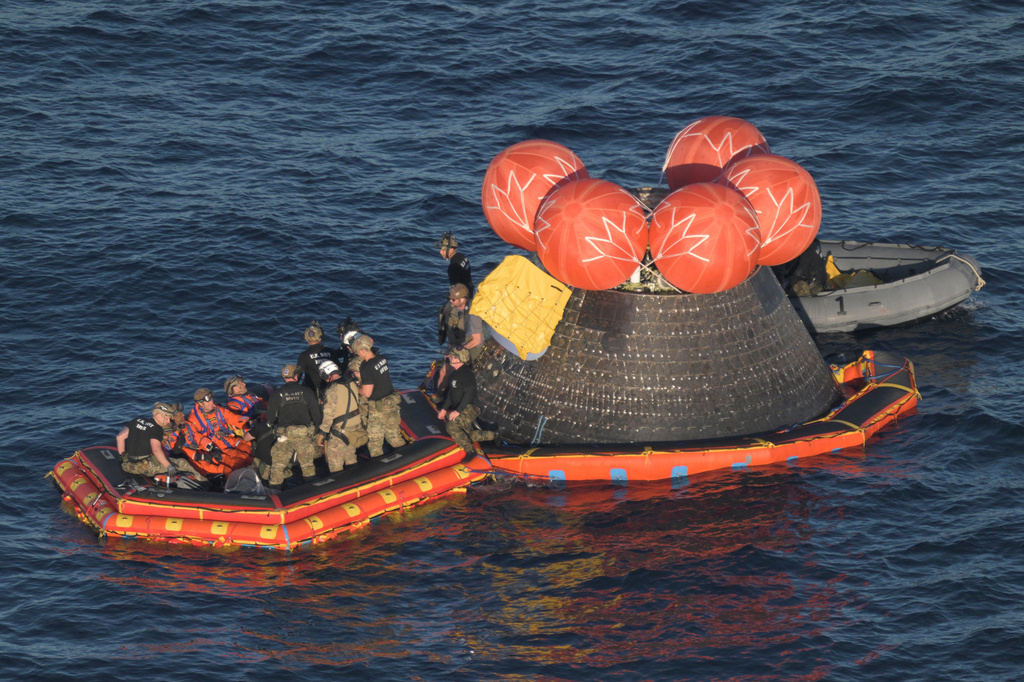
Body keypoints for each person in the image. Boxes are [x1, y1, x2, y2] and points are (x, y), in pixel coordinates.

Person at [264, 363, 323, 489]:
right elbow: (317, 415)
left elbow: (270, 417)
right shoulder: (306, 391)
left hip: (283, 436)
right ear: (296, 376)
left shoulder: (277, 393)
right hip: (303, 436)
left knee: (278, 468)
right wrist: (316, 429)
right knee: (307, 466)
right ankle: (312, 493)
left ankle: (274, 495)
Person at [117, 402, 205, 481]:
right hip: (145, 468)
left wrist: (122, 457)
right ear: (158, 415)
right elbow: (156, 450)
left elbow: (120, 437)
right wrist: (169, 466)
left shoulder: (136, 420)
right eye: (166, 418)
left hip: (127, 466)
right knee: (182, 463)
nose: (168, 422)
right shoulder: (157, 429)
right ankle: (204, 483)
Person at [351, 334, 406, 458]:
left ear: (363, 350)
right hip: (391, 403)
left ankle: (380, 467)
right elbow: (376, 375)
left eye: (357, 352)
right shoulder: (382, 359)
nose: (357, 354)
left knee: (375, 443)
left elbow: (367, 392)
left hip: (378, 408)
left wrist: (356, 387)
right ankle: (408, 460)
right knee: (394, 436)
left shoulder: (366, 366)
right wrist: (362, 375)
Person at [182, 387, 253, 477]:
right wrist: (211, 448)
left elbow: (233, 418)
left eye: (211, 399)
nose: (211, 402)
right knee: (237, 460)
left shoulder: (219, 410)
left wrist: (248, 421)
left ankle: (256, 472)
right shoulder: (194, 420)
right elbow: (196, 439)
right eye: (208, 401)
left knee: (248, 447)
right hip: (217, 449)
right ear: (200, 403)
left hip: (229, 440)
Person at [436, 348, 494, 456]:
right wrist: (444, 409)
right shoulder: (455, 373)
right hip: (462, 407)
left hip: (470, 407)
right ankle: (493, 436)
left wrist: (458, 411)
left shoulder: (467, 374)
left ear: (459, 359)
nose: (450, 357)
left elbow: (469, 393)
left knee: (452, 427)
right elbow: (451, 394)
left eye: (453, 356)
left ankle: (470, 451)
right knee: (467, 435)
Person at [318, 360, 368, 472]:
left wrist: (322, 433)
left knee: (334, 463)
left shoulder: (332, 389)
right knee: (350, 457)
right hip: (355, 428)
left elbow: (328, 415)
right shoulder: (352, 383)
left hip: (340, 431)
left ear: (327, 374)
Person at [296, 321, 337, 396]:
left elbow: (297, 376)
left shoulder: (304, 356)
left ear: (306, 339)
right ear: (320, 338)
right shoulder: (330, 352)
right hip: (330, 391)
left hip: (311, 393)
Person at [436, 231, 473, 297]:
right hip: (470, 292)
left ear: (451, 249)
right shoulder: (463, 257)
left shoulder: (453, 267)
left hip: (463, 298)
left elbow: (456, 290)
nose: (440, 252)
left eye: (443, 250)